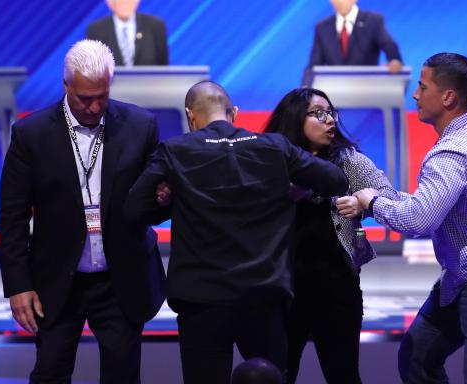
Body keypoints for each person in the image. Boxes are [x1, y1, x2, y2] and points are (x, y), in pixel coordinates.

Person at [125, 81, 350, 384]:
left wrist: (172, 201)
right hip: (263, 298)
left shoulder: (175, 151)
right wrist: (295, 188)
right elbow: (336, 179)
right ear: (233, 113)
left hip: (201, 301)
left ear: (190, 116)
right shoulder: (273, 147)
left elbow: (134, 209)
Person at [353, 53, 467, 384]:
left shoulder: (454, 151)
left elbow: (419, 220)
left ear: (448, 97)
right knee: (417, 357)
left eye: (422, 87)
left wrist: (372, 204)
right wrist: (384, 195)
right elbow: (433, 206)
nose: (415, 94)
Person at [0, 39, 165, 383]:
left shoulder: (141, 125)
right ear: (65, 86)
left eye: (101, 96)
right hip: (57, 281)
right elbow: (12, 216)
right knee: (50, 373)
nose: (93, 107)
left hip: (121, 280)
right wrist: (17, 285)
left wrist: (164, 200)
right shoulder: (30, 134)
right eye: (84, 98)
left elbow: (151, 209)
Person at [264, 87, 399, 384]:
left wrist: (364, 200)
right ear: (295, 118)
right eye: (319, 114)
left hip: (337, 289)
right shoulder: (270, 160)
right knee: (279, 375)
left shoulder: (349, 161)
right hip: (282, 289)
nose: (330, 121)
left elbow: (391, 196)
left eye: (331, 113)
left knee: (344, 375)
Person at [308, 0, 402, 72]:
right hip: (334, 86)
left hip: (367, 84)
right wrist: (305, 86)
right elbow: (313, 67)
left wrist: (394, 61)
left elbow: (389, 46)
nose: (340, 1)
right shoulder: (322, 28)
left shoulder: (373, 21)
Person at [86, 0, 168, 66]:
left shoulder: (155, 26)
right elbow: (93, 71)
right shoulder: (96, 30)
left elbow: (164, 68)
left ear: (137, 1)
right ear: (109, 3)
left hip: (149, 80)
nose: (123, 2)